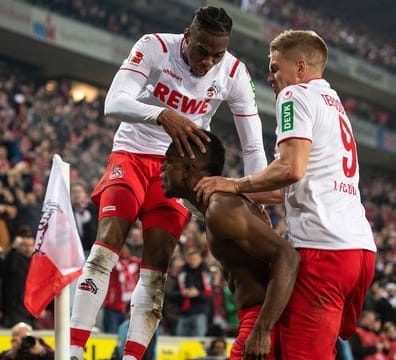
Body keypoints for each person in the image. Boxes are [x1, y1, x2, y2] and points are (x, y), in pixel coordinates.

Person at [70, 6, 267, 359]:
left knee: (157, 266)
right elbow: (113, 102)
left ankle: (132, 356)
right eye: (201, 50)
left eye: (216, 54)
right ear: (187, 36)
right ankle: (72, 350)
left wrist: (258, 200)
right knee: (106, 244)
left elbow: (253, 146)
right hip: (131, 153)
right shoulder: (155, 46)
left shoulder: (235, 72)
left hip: (177, 172)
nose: (207, 61)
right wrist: (162, 114)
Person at [194, 30, 377, 359]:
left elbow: (291, 168)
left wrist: (235, 185)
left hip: (324, 249)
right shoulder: (333, 104)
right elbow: (294, 185)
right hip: (359, 251)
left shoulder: (295, 96)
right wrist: (247, 195)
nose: (271, 76)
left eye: (276, 67)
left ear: (301, 67)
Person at [160, 130, 299, 359]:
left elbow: (287, 256)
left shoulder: (221, 207)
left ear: (187, 171)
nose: (161, 169)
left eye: (168, 163)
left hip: (261, 318)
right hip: (260, 317)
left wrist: (262, 330)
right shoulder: (218, 204)